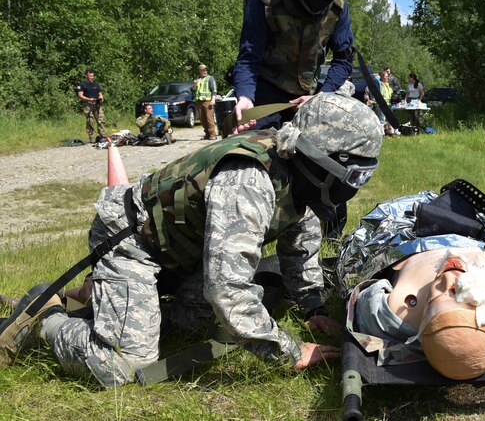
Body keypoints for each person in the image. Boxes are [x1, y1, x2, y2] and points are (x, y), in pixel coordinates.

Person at [0, 91, 384, 386]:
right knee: (122, 364)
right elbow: (228, 290)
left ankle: (101, 302)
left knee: (196, 322)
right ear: (322, 161)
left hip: (184, 250)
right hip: (131, 241)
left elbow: (300, 244)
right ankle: (46, 313)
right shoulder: (249, 182)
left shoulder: (297, 176)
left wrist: (312, 306)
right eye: (355, 177)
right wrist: (289, 351)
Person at [348, 246, 485, 380]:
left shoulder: (387, 315)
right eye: (460, 294)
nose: (450, 277)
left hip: (415, 242)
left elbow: (361, 297)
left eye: (435, 298)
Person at [231, 0, 354, 134]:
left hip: (310, 97)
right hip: (264, 92)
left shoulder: (338, 8)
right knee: (247, 152)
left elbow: (343, 60)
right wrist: (245, 97)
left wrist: (322, 96)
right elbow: (248, 56)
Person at [75, 68, 107, 143]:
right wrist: (89, 99)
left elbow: (100, 94)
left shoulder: (96, 85)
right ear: (86, 75)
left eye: (93, 76)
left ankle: (103, 136)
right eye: (90, 76)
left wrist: (101, 98)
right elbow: (80, 95)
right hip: (88, 105)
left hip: (97, 105)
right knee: (90, 121)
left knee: (101, 120)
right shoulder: (82, 85)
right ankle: (91, 138)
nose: (92, 77)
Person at [193, 64, 218, 140]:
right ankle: (207, 134)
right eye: (203, 70)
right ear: (200, 71)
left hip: (207, 101)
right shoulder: (197, 79)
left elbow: (214, 89)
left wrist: (213, 100)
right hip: (199, 101)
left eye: (206, 70)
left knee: (209, 118)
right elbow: (193, 90)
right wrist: (195, 85)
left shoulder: (210, 78)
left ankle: (213, 134)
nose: (205, 71)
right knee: (202, 119)